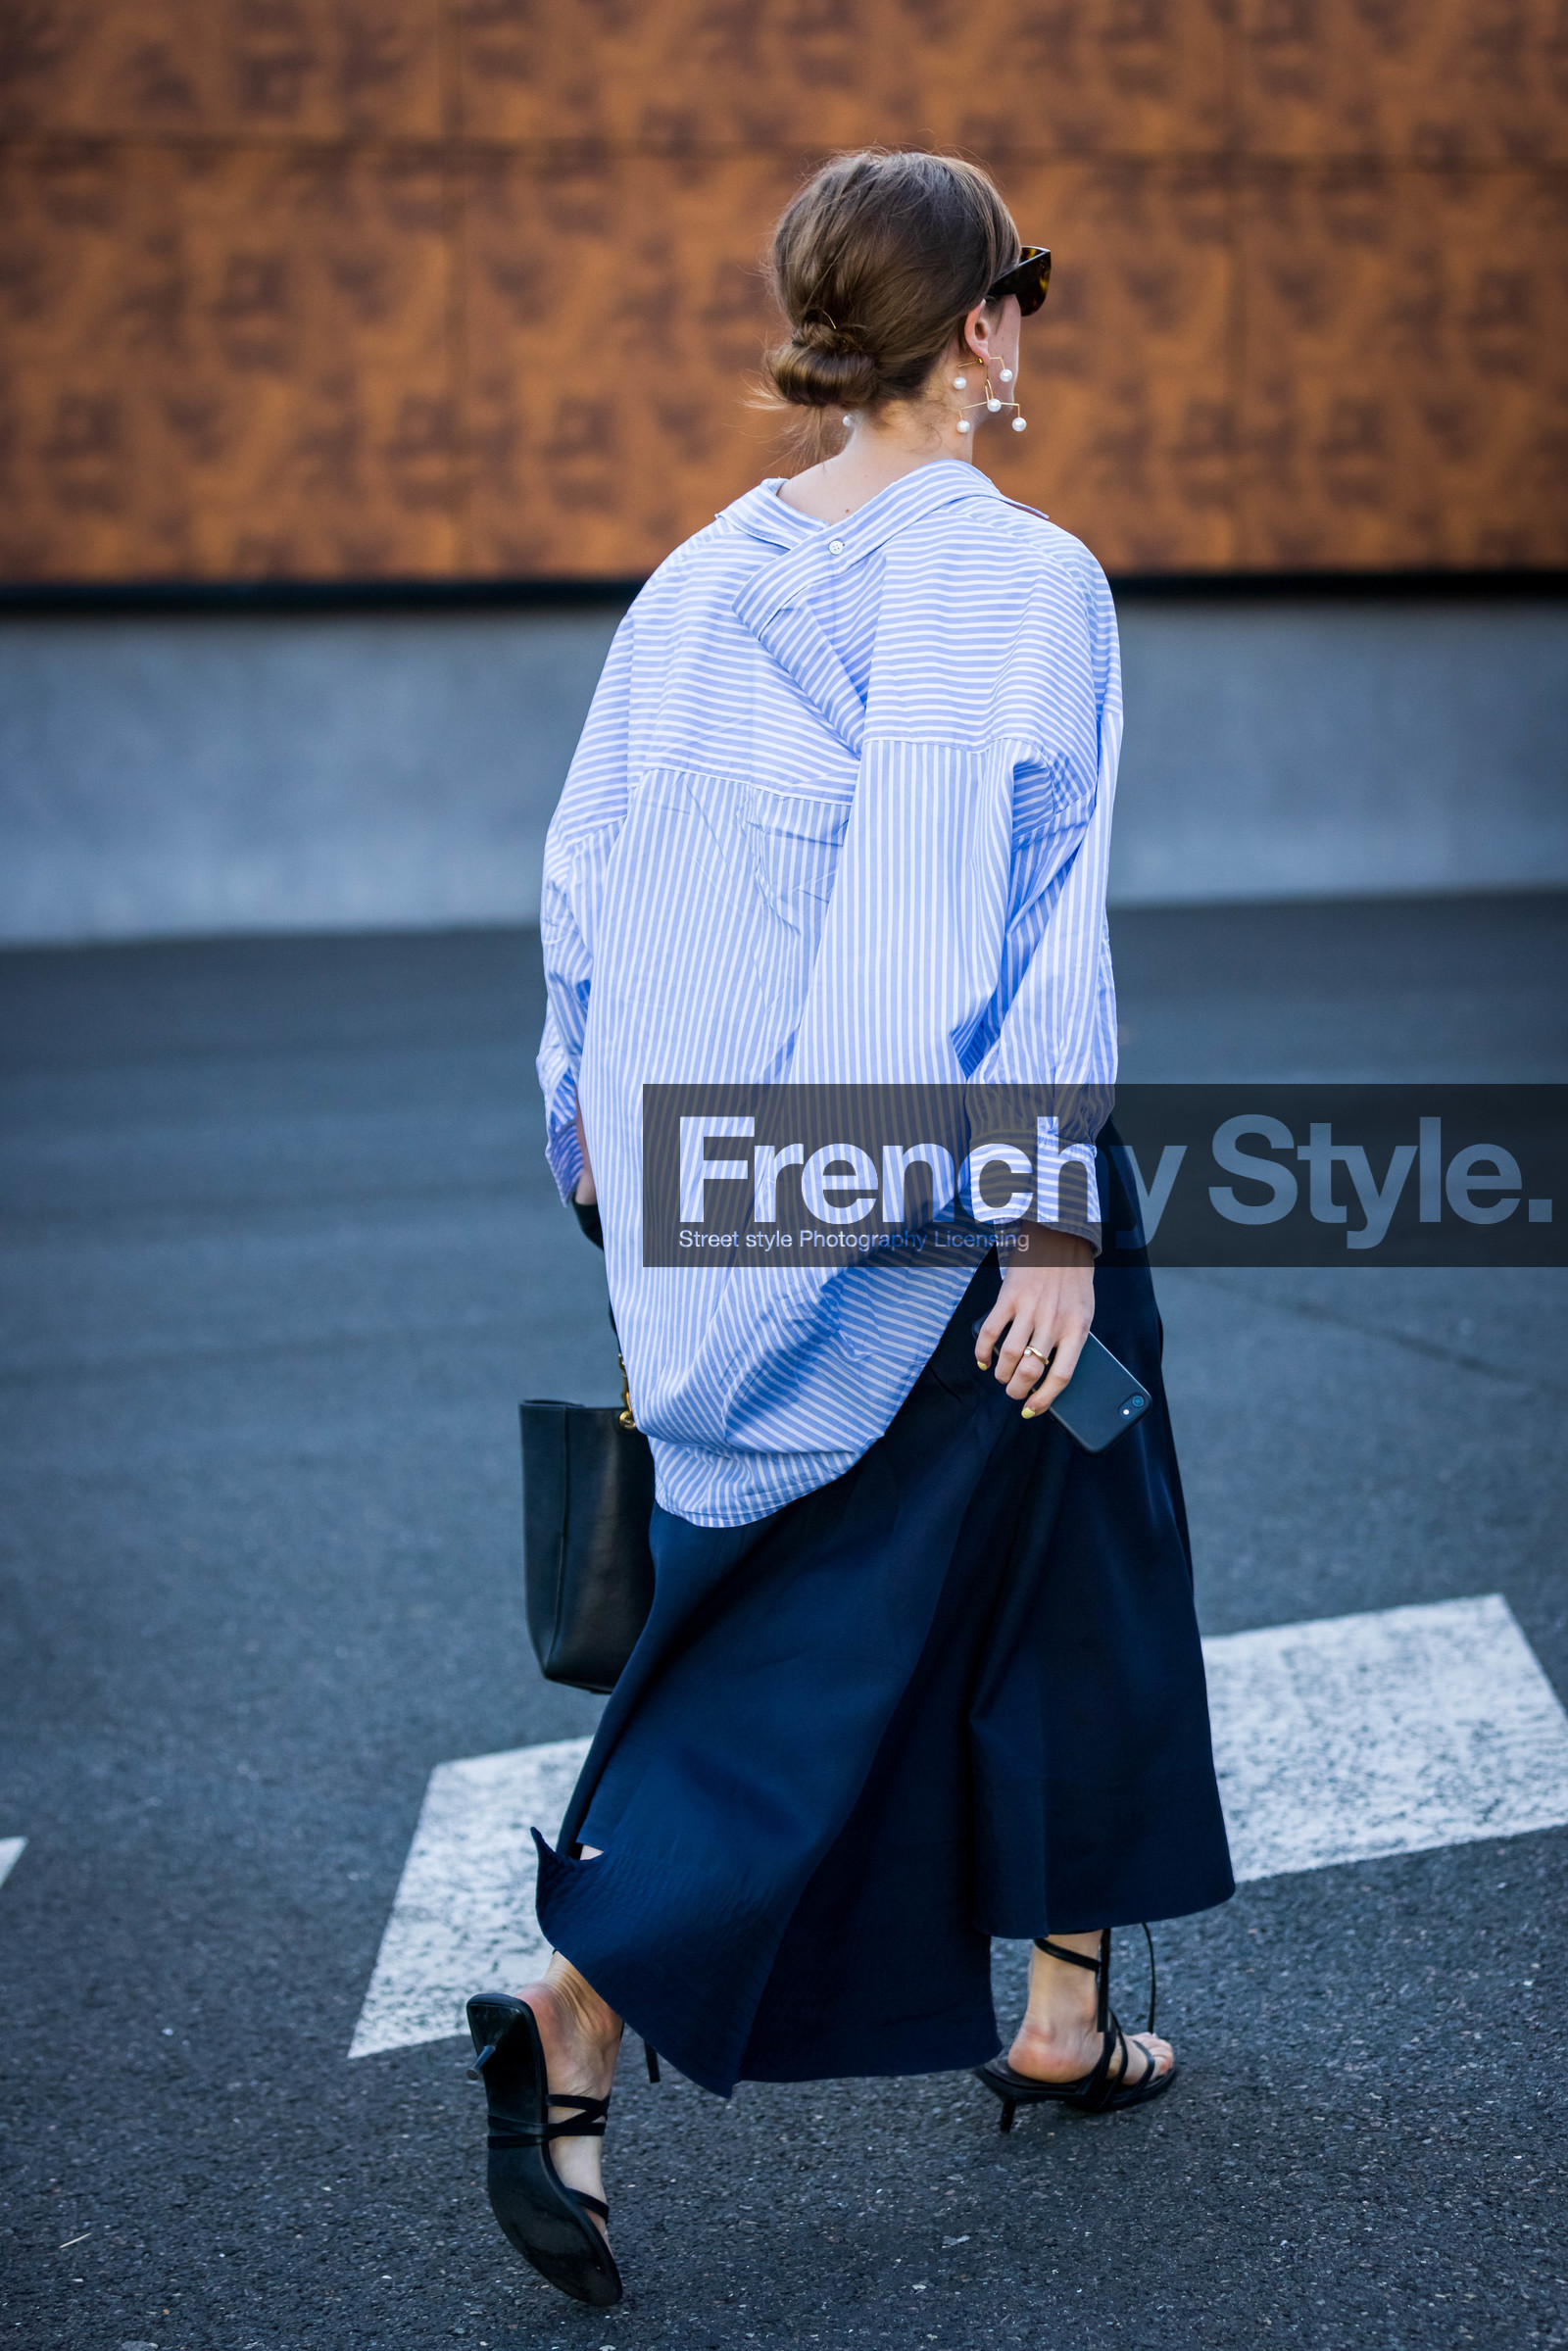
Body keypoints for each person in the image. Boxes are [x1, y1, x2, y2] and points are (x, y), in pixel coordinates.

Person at [466, 148, 1234, 2311]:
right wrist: (1044, 1215)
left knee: (1072, 1535)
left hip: (723, 1168)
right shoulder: (1015, 577)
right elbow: (1013, 916)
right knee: (855, 1604)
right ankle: (582, 1999)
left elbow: (585, 880)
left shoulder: (697, 578)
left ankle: (1062, 2011)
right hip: (952, 1176)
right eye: (1018, 299)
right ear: (982, 326)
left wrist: (598, 1150)